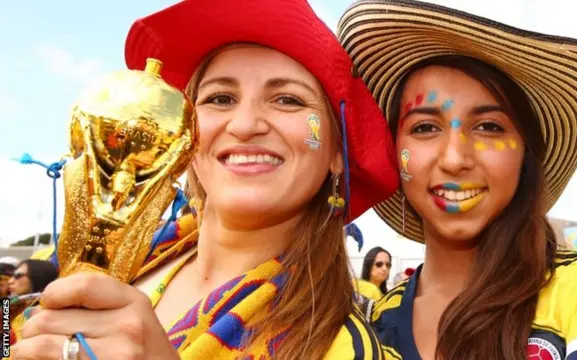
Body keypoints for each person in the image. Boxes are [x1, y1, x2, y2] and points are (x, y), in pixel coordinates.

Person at [11, 0, 399, 359]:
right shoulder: (128, 255)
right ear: (187, 137)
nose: (245, 125)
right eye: (220, 99)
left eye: (288, 100)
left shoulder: (346, 347)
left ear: (337, 153)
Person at [339, 1, 577, 359]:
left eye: (488, 127)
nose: (454, 159)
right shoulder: (369, 325)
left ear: (525, 155)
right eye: (424, 127)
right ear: (394, 153)